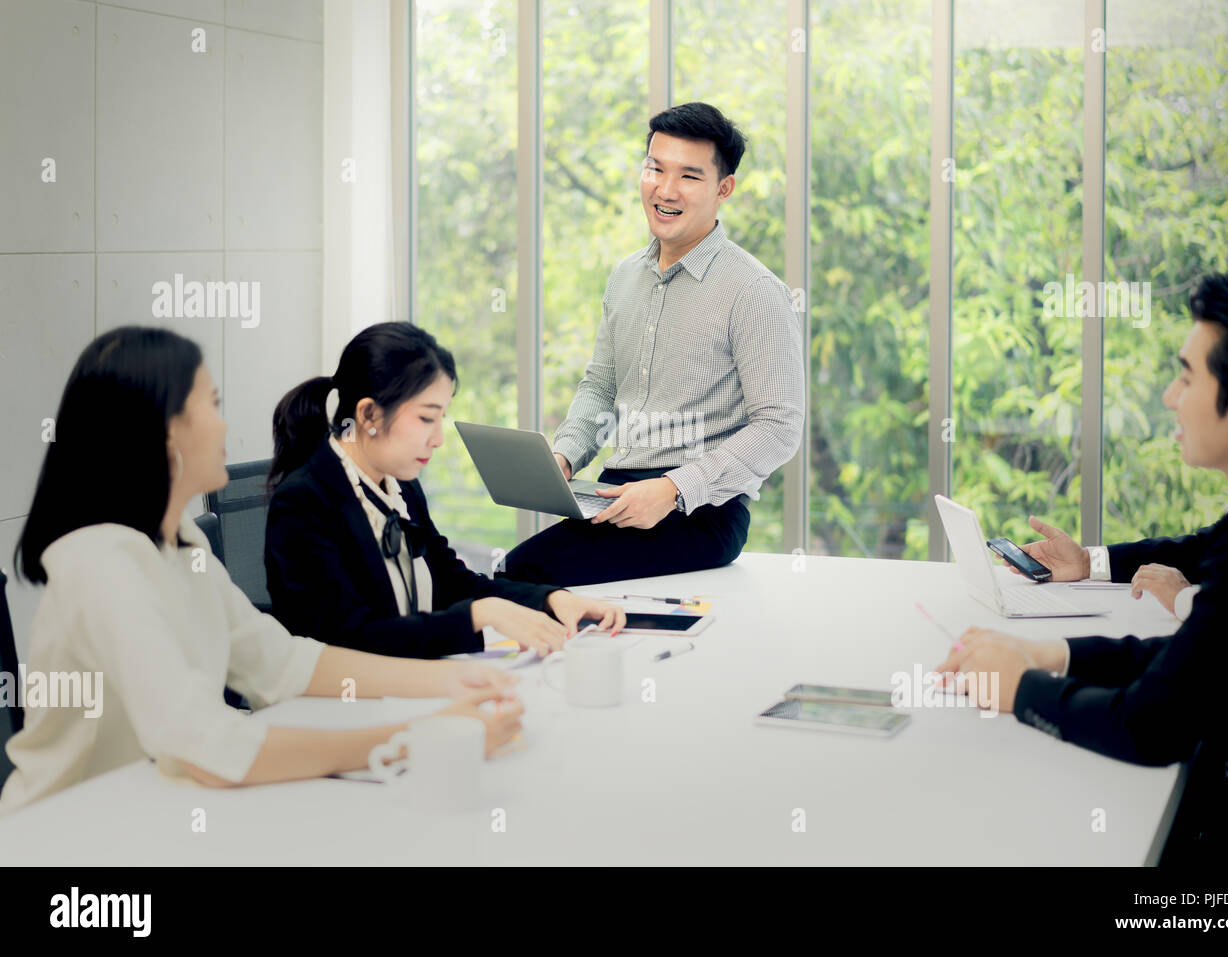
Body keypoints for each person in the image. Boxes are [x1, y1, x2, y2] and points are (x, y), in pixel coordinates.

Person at [2, 327, 523, 814]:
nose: (225, 424)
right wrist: (423, 735)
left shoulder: (182, 543)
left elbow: (282, 663)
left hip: (150, 814)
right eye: (212, 405)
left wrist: (451, 678)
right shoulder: (101, 563)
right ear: (164, 432)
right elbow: (208, 744)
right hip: (67, 837)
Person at [934, 271, 1228, 866]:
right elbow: (1202, 660)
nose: (1170, 397)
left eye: (1188, 376)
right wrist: (1056, 653)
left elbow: (1151, 726)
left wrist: (1021, 688)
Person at [501, 102, 805, 586]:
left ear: (724, 188)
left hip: (703, 510)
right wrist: (564, 456)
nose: (665, 189)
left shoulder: (754, 290)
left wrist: (672, 489)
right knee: (514, 573)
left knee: (521, 572)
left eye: (689, 175)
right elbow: (601, 386)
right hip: (616, 493)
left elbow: (780, 426)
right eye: (654, 168)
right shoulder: (624, 277)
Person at [265, 322, 624, 658]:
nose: (437, 439)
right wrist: (477, 616)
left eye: (440, 419)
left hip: (407, 686)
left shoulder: (399, 485)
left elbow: (451, 582)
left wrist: (551, 599)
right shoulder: (304, 504)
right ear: (369, 415)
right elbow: (349, 642)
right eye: (425, 418)